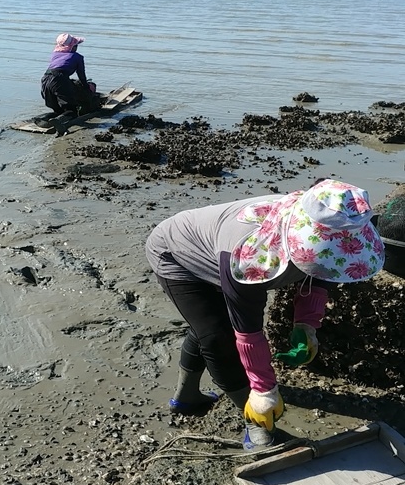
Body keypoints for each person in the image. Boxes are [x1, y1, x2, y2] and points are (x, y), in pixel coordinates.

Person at [145, 179, 385, 450]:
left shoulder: (339, 224)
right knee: (216, 336)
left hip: (217, 252)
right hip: (177, 254)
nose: (329, 257)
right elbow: (248, 332)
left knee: (206, 324)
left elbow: (325, 272)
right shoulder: (252, 256)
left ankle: (186, 397)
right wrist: (263, 390)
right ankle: (255, 423)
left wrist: (307, 324)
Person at [40, 33, 96, 119]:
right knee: (71, 111)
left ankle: (43, 119)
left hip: (45, 79)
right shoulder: (77, 57)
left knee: (58, 110)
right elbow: (81, 76)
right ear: (73, 46)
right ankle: (60, 120)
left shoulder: (55, 54)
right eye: (76, 45)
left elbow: (57, 69)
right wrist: (87, 88)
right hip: (59, 79)